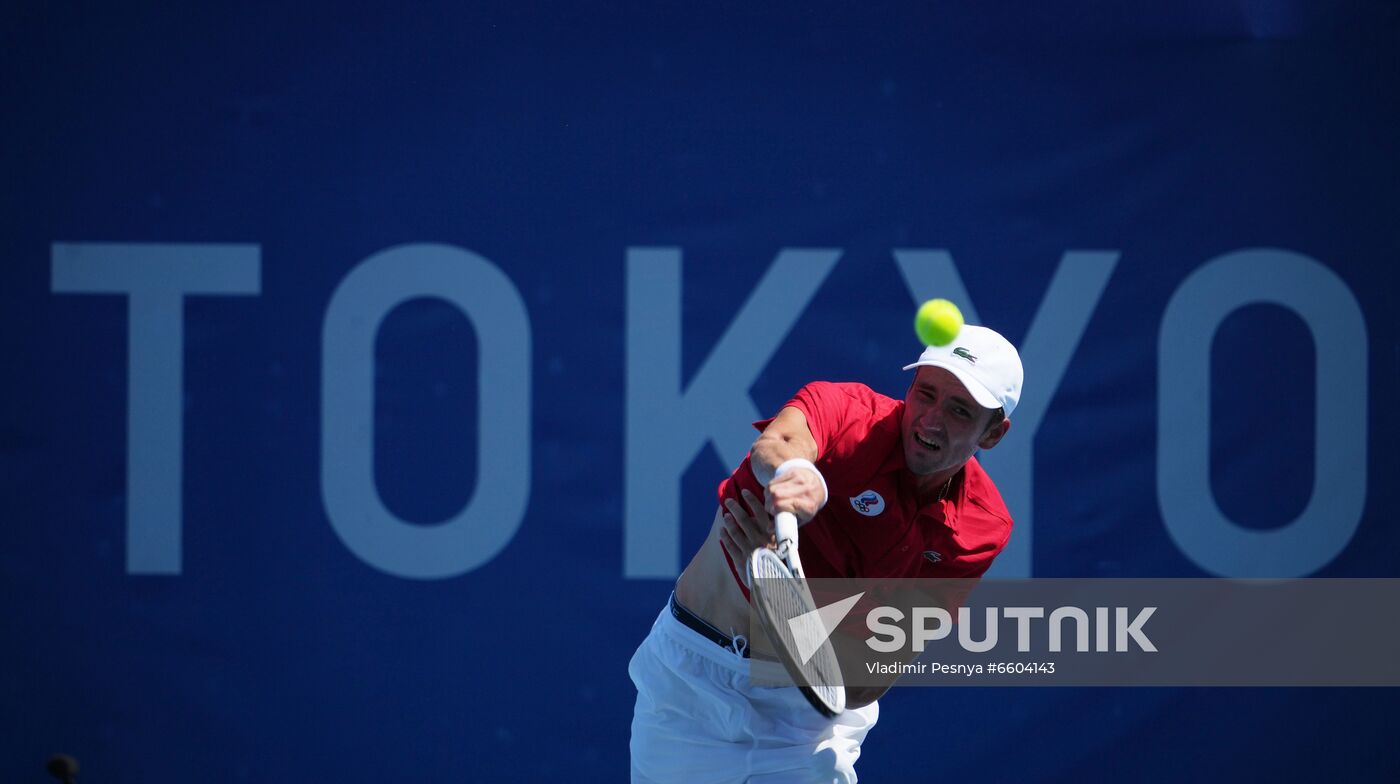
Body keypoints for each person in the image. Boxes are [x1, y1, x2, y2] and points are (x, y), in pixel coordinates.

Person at [628, 325, 1024, 783]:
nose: (931, 420)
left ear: (993, 433)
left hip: (809, 723)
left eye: (958, 410)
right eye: (926, 394)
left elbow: (864, 681)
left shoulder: (981, 527)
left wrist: (785, 599)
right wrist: (799, 472)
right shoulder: (845, 411)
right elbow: (778, 445)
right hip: (692, 686)